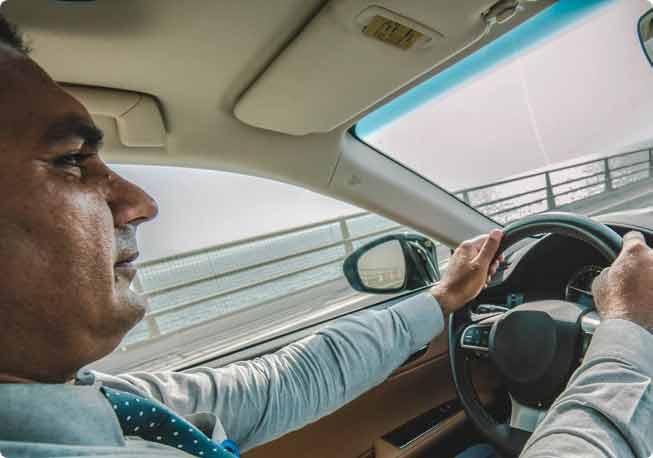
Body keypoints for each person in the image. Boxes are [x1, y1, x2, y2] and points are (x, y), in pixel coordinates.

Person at [2, 11, 653, 458]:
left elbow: (281, 382)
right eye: (70, 160)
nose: (141, 204)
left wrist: (442, 299)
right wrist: (624, 334)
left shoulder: (103, 402)